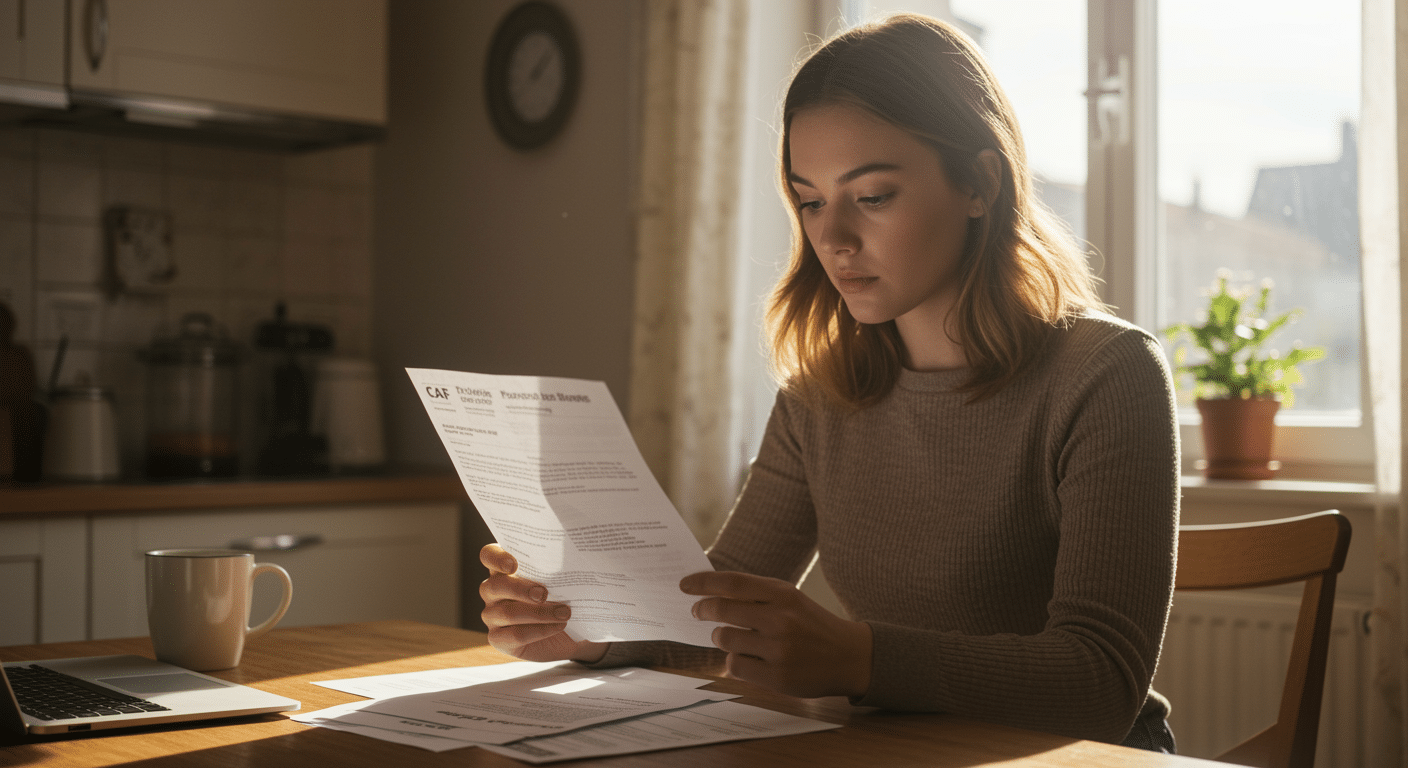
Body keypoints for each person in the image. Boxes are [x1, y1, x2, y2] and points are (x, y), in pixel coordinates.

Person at [480, 12, 1180, 753]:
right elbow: (717, 611)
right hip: (892, 751)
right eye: (810, 200)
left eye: (872, 196)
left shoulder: (1108, 376)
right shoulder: (823, 393)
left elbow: (1100, 685)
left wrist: (859, 658)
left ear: (979, 183)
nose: (833, 239)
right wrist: (586, 631)